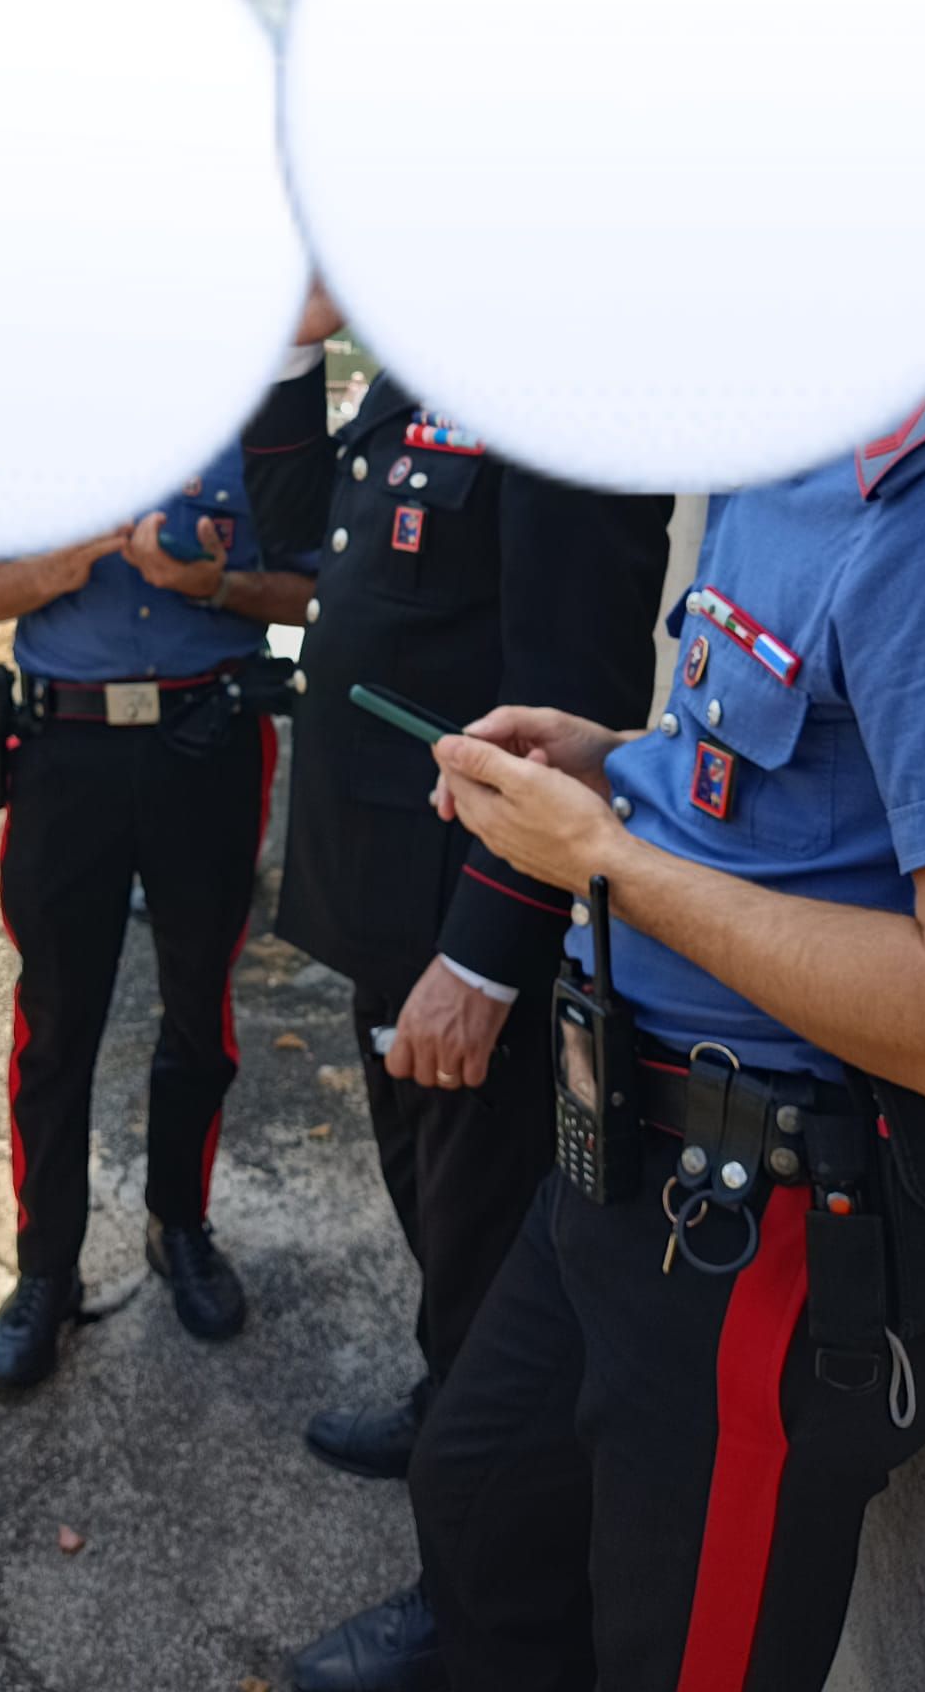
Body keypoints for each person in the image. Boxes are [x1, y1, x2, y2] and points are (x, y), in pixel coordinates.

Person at [413, 309, 925, 1692]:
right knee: (482, 1504)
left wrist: (606, 861)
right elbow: (812, 797)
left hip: (766, 1224)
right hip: (627, 1157)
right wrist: (621, 770)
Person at [244, 286, 673, 1691]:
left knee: (490, 1244)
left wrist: (487, 956)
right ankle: (448, 1411)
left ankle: (469, 1597)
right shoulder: (424, 362)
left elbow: (577, 685)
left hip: (467, 920)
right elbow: (293, 529)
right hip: (382, 890)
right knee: (438, 1217)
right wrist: (294, 339)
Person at [0, 443, 315, 1394]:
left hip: (209, 745)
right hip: (67, 753)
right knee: (57, 1021)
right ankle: (45, 1271)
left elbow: (310, 596)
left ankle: (177, 1226)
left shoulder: (253, 428)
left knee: (197, 1006)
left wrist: (214, 584)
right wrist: (58, 566)